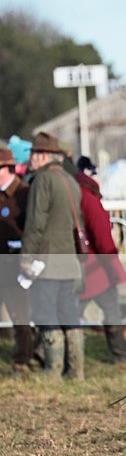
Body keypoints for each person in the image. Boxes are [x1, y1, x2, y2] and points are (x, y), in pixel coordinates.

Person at [21, 132, 85, 380]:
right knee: (69, 314)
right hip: (68, 260)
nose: (30, 159)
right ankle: (76, 371)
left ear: (43, 156)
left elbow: (35, 224)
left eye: (33, 154)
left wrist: (26, 257)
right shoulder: (69, 180)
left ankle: (53, 370)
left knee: (47, 314)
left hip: (46, 260)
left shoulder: (42, 181)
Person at [75, 157, 126, 363]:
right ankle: (119, 355)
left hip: (81, 266)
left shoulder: (76, 193)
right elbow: (102, 236)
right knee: (111, 310)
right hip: (95, 268)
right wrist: (114, 268)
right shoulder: (88, 197)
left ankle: (46, 352)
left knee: (72, 313)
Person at [0, 146, 35, 373]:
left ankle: (23, 360)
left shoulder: (23, 193)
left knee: (20, 314)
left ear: (6, 168)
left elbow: (31, 228)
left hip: (16, 264)